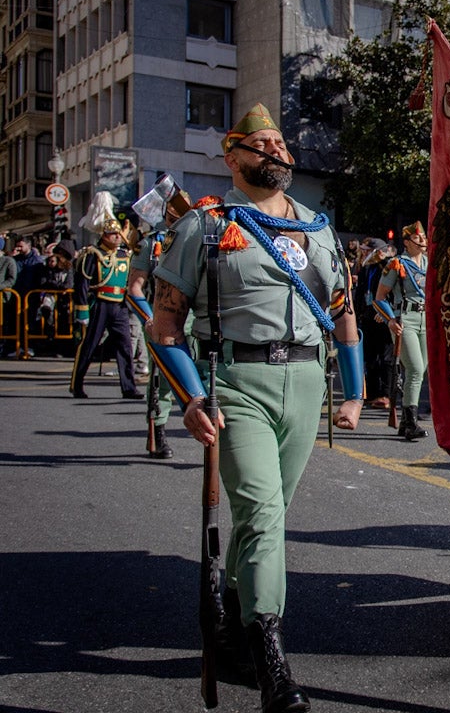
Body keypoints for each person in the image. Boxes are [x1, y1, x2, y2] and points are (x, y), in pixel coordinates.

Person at [149, 103, 364, 712]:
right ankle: (271, 654)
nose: (277, 153)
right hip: (234, 382)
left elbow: (344, 312)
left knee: (262, 516)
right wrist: (191, 396)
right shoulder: (208, 224)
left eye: (282, 145)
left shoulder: (320, 229)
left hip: (305, 383)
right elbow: (165, 324)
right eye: (262, 144)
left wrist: (351, 393)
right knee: (265, 513)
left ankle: (233, 623)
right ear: (233, 156)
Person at [126, 181, 193, 459]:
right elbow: (134, 288)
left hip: (195, 323)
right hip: (161, 321)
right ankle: (159, 430)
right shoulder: (151, 243)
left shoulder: (196, 239)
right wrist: (149, 318)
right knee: (163, 381)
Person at [69, 218, 141, 399]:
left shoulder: (125, 255)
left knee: (125, 347)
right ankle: (77, 385)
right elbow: (83, 283)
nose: (117, 237)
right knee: (89, 345)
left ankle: (128, 388)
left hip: (119, 305)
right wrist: (82, 310)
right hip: (99, 304)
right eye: (113, 234)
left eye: (118, 234)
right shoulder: (92, 254)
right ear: (104, 236)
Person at [373, 221, 429, 440]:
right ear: (407, 242)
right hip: (405, 319)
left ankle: (406, 422)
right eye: (418, 238)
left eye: (423, 238)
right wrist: (389, 319)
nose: (423, 241)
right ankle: (411, 421)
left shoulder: (427, 263)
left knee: (420, 370)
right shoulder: (397, 264)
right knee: (414, 368)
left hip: (425, 319)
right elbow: (379, 297)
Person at [355, 237, 394, 409]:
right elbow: (360, 293)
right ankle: (371, 393)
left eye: (367, 250)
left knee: (386, 356)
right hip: (368, 314)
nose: (364, 252)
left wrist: (387, 313)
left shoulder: (386, 266)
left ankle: (386, 394)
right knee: (370, 356)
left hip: (383, 315)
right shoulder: (366, 268)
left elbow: (391, 292)